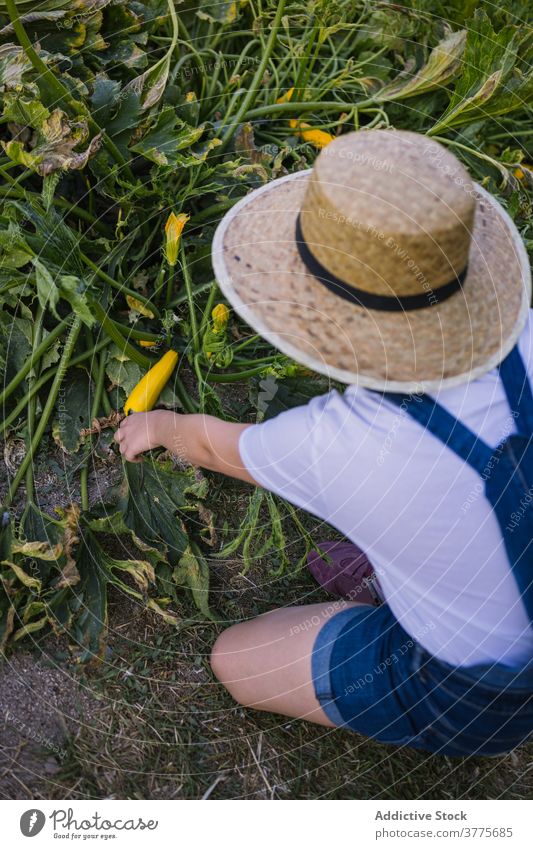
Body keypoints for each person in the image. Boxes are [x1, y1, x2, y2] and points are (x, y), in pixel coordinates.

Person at [114, 130, 533, 756]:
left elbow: (213, 446)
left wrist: (159, 427)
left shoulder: (336, 447)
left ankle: (401, 610)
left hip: (481, 701)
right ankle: (407, 572)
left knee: (238, 660)